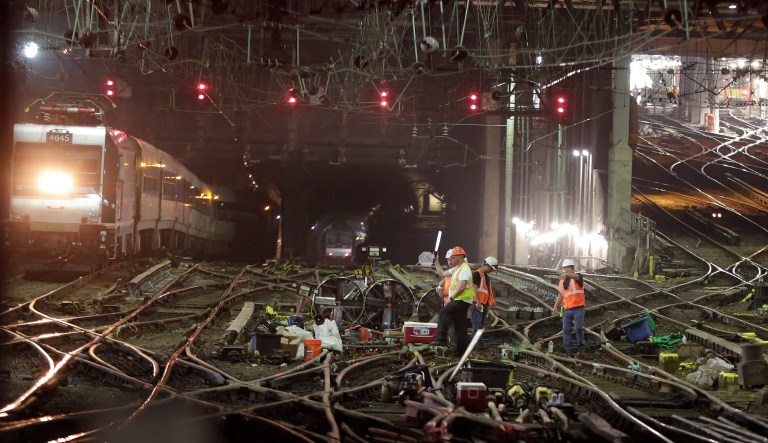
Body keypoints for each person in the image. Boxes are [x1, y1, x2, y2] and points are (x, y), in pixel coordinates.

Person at [434, 246, 475, 355]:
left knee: (444, 313)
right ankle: (461, 350)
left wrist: (450, 299)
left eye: (454, 257)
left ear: (460, 257)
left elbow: (461, 287)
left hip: (461, 300)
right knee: (460, 325)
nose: (451, 260)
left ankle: (441, 339)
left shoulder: (464, 269)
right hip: (462, 300)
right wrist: (436, 261)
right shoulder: (457, 269)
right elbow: (441, 273)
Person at [551, 258, 586, 357]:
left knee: (578, 328)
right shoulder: (562, 281)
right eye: (565, 268)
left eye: (568, 268)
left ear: (572, 268)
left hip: (579, 307)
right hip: (567, 309)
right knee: (566, 329)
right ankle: (568, 349)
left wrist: (566, 274)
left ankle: (581, 347)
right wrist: (556, 305)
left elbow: (575, 276)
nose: (566, 270)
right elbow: (561, 294)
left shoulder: (578, 277)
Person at [471, 256, 498, 335]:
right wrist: (478, 303)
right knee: (477, 324)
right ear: (488, 265)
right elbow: (474, 288)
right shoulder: (477, 273)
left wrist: (487, 303)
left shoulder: (485, 275)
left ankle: (479, 344)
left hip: (484, 303)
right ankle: (476, 345)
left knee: (481, 325)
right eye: (491, 269)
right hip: (478, 303)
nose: (492, 270)